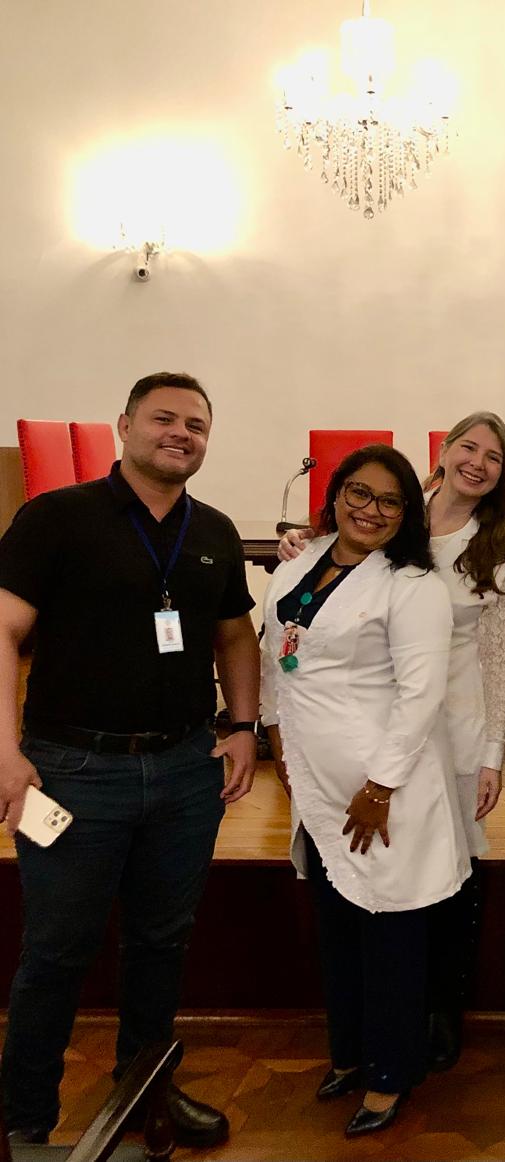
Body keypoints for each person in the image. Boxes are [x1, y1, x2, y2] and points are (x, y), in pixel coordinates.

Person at [0, 372, 259, 1147]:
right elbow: (3, 631)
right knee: (56, 950)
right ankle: (25, 1123)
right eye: (163, 418)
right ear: (124, 425)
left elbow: (235, 635)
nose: (181, 433)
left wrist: (244, 726)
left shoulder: (213, 531)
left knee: (161, 943)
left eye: (196, 425)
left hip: (184, 773)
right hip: (71, 772)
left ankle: (144, 1096)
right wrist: (5, 752)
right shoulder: (55, 517)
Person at [278, 410, 505, 1071]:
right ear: (443, 452)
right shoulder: (391, 521)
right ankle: (386, 1023)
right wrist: (306, 541)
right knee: (386, 875)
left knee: (451, 872)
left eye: (493, 456)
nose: (477, 462)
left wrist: (494, 749)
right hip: (374, 724)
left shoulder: (497, 548)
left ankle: (442, 1008)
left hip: (456, 721)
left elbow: (503, 654)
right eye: (468, 446)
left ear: (504, 474)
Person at [260, 444, 468, 1138]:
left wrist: (379, 787)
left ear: (407, 513)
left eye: (388, 500)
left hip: (381, 787)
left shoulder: (412, 585)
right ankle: (349, 1053)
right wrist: (277, 742)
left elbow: (421, 695)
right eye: (358, 492)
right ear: (336, 494)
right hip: (316, 782)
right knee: (338, 926)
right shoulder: (301, 562)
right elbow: (278, 657)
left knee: (389, 930)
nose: (370, 510)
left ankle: (390, 1073)